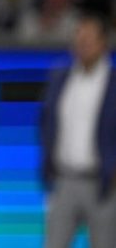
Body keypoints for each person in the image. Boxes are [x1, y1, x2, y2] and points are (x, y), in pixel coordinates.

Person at [40, 14, 116, 248]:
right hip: (64, 181)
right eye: (79, 37)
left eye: (89, 38)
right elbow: (45, 122)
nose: (83, 43)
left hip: (103, 183)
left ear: (104, 42)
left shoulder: (113, 83)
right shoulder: (60, 77)